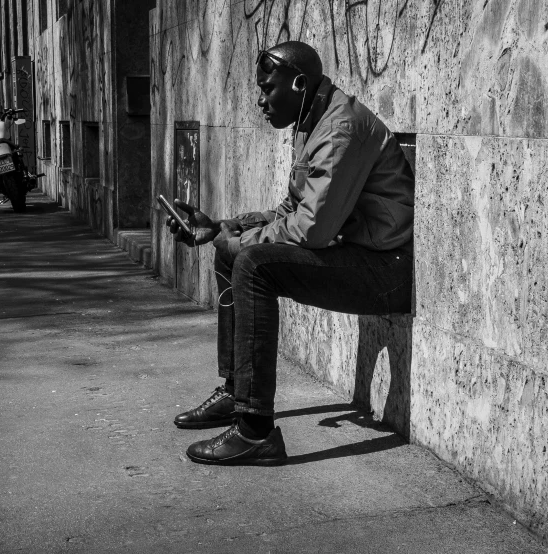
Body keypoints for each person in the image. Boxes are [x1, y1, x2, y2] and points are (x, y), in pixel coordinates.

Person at [167, 41, 415, 466]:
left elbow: (310, 230)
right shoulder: (313, 119)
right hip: (358, 255)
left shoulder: (339, 131)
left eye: (267, 89)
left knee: (252, 265)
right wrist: (224, 228)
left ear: (299, 84)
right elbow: (290, 210)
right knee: (232, 255)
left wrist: (242, 242)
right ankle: (235, 390)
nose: (261, 101)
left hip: (386, 272)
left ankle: (255, 432)